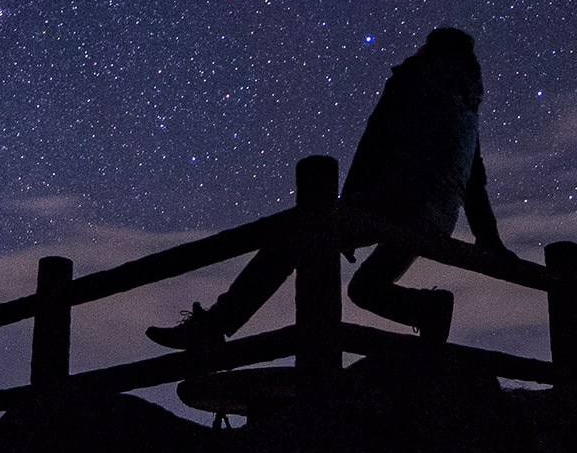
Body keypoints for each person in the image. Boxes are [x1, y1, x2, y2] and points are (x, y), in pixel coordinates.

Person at [145, 26, 511, 350]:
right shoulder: (468, 109)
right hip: (435, 216)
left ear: (430, 50)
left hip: (394, 201)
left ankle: (214, 326)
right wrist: (490, 241)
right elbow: (474, 181)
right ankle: (429, 308)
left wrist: (349, 204)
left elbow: (376, 141)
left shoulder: (414, 77)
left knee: (293, 238)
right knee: (365, 288)